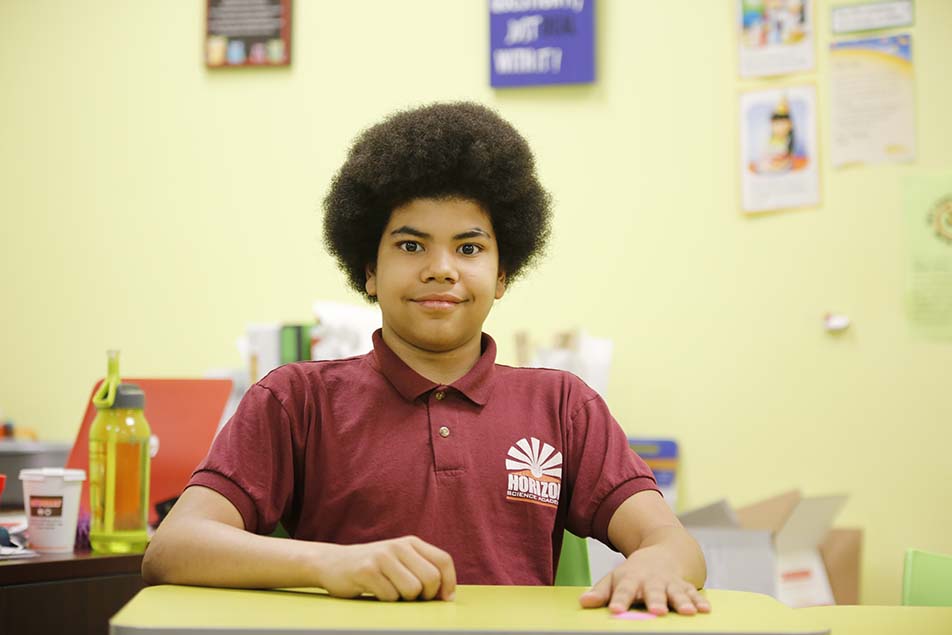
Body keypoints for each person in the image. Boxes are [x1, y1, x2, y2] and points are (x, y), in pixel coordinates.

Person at [142, 102, 709, 616]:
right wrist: (329, 565)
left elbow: (674, 544)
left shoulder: (563, 405)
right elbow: (174, 547)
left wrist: (657, 562)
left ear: (503, 273)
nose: (442, 268)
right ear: (369, 269)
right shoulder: (295, 399)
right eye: (411, 246)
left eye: (469, 247)